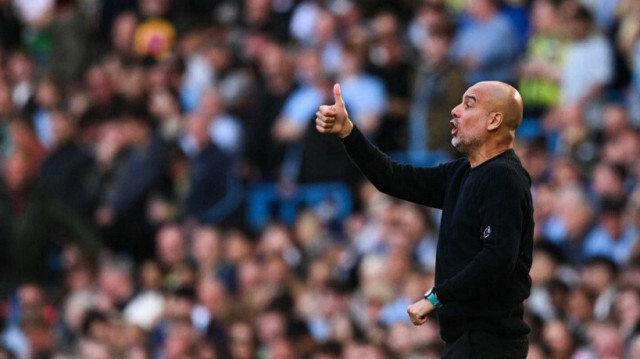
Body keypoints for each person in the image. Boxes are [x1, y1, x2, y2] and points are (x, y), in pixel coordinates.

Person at [315, 81, 533, 358]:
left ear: (494, 120)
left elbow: (499, 257)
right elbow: (393, 178)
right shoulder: (463, 173)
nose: (455, 110)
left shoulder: (502, 177)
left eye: (468, 104)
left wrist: (436, 297)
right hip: (467, 341)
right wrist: (348, 132)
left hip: (489, 343)